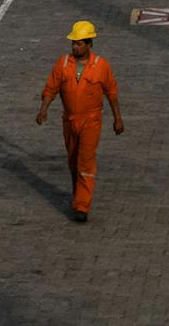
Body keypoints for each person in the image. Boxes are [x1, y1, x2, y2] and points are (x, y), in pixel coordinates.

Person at [35, 20, 124, 222]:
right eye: (73, 43)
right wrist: (43, 109)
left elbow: (111, 92)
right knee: (73, 160)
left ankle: (82, 206)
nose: (75, 47)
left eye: (79, 43)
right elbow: (51, 88)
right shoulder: (63, 64)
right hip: (69, 120)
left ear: (89, 44)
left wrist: (118, 118)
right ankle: (78, 194)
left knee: (86, 160)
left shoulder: (101, 66)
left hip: (91, 120)